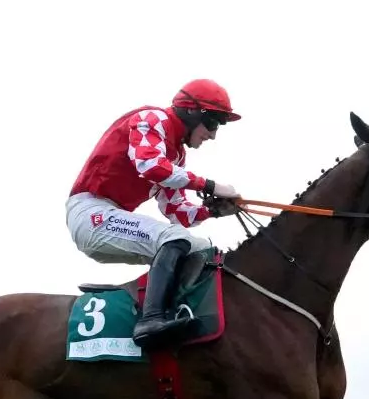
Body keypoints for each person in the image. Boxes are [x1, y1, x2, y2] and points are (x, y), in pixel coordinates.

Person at [66, 79, 242, 349]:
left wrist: (213, 211)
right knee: (173, 239)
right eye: (214, 123)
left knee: (199, 247)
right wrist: (209, 185)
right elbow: (150, 165)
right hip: (91, 213)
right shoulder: (153, 118)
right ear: (193, 112)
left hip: (111, 218)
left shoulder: (177, 157)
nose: (213, 135)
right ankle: (150, 320)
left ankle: (180, 315)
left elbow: (178, 214)